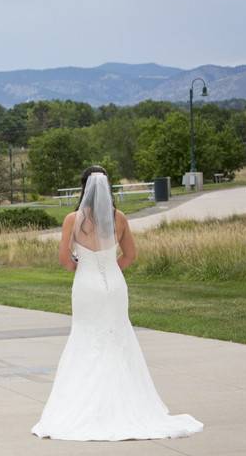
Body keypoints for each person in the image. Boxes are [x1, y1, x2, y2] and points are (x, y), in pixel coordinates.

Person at [32, 167, 203, 441]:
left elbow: (65, 262)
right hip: (114, 285)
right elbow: (130, 255)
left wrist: (86, 269)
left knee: (86, 339)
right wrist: (110, 270)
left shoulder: (72, 220)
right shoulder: (119, 218)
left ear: (83, 188)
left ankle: (85, 406)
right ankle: (125, 403)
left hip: (86, 287)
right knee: (117, 338)